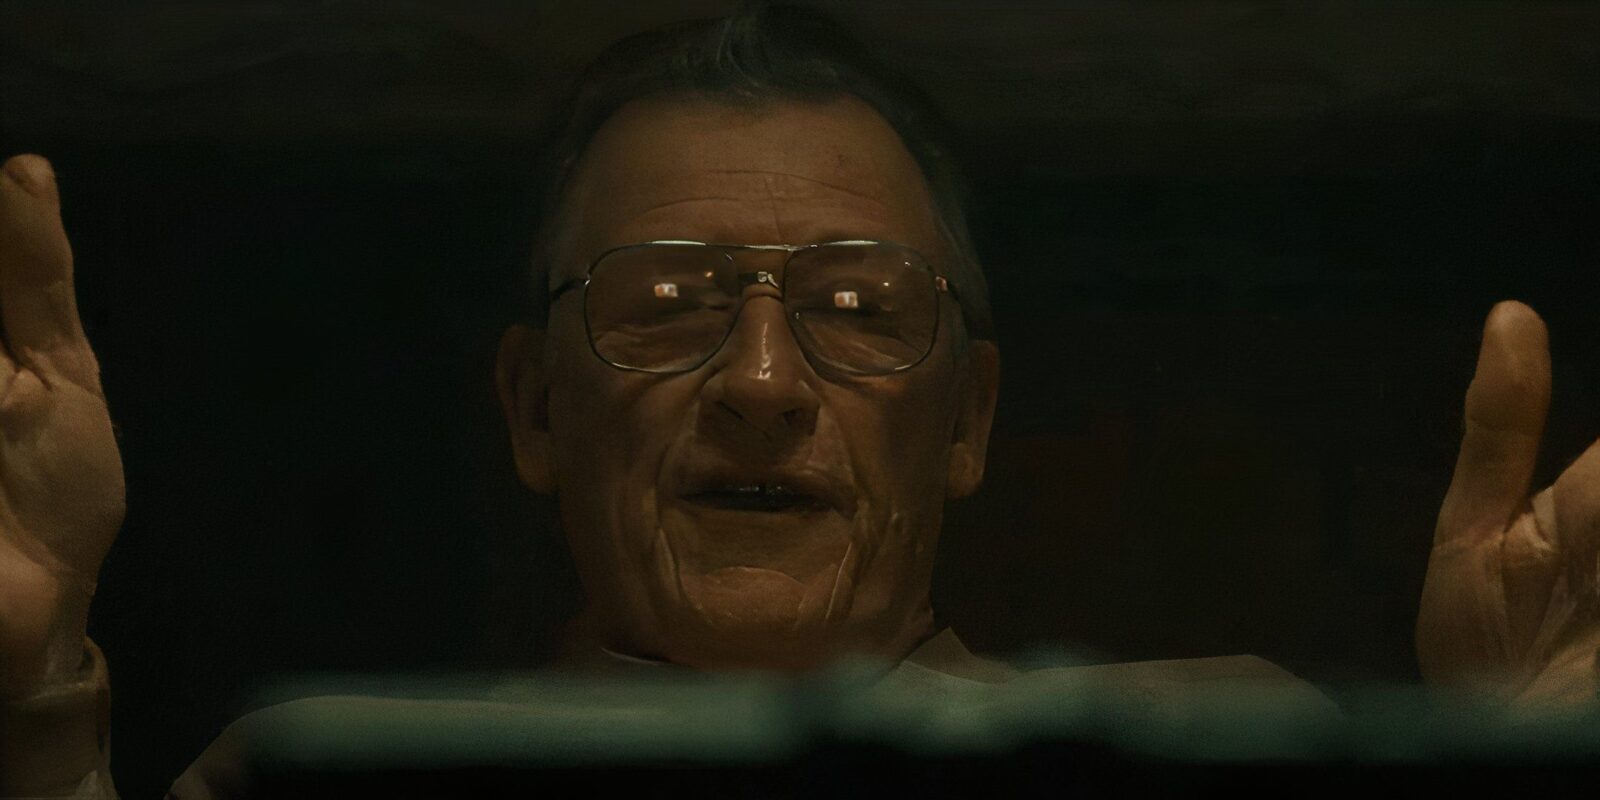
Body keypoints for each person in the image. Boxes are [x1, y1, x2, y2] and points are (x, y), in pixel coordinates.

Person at [1, 5, 1596, 797]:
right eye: (666, 305)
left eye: (856, 311)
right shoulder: (335, 774)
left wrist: (1525, 766)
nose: (762, 384)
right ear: (534, 409)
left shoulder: (1227, 744)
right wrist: (32, 688)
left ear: (965, 422)